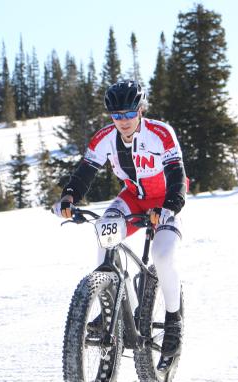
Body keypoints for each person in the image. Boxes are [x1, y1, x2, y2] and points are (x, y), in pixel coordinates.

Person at [54, 80, 187, 358]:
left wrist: (170, 206)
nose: (123, 121)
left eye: (129, 114)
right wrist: (69, 196)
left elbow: (176, 174)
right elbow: (85, 172)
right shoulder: (104, 138)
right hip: (133, 198)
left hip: (165, 201)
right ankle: (108, 301)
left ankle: (174, 321)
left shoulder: (161, 134)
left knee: (162, 257)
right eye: (117, 116)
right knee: (104, 230)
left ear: (140, 110)